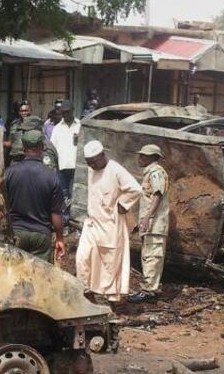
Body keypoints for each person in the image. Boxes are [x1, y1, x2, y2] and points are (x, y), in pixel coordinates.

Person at [75, 140, 142, 303]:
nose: (92, 165)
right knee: (82, 257)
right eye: (88, 162)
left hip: (110, 225)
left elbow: (135, 189)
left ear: (102, 156)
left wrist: (123, 204)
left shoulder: (115, 170)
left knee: (109, 263)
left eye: (94, 161)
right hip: (92, 223)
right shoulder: (91, 170)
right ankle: (85, 290)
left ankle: (109, 298)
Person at [1, 130, 66, 262]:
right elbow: (56, 213)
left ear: (23, 148)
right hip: (41, 236)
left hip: (16, 232)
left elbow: (2, 205)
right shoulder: (52, 176)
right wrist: (60, 238)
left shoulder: (9, 173)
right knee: (40, 273)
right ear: (42, 148)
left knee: (14, 271)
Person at [130, 144, 170, 303]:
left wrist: (147, 217)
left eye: (143, 156)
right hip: (151, 223)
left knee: (152, 256)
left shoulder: (156, 173)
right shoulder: (150, 173)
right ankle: (151, 288)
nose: (139, 158)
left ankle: (149, 290)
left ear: (152, 157)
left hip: (155, 224)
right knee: (149, 255)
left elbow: (157, 196)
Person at [49, 100, 80, 225]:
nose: (65, 115)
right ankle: (66, 220)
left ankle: (76, 220)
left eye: (67, 112)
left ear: (72, 111)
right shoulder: (57, 128)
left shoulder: (80, 126)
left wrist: (80, 139)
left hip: (77, 167)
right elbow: (52, 148)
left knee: (76, 193)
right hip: (62, 166)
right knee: (64, 194)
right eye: (63, 113)